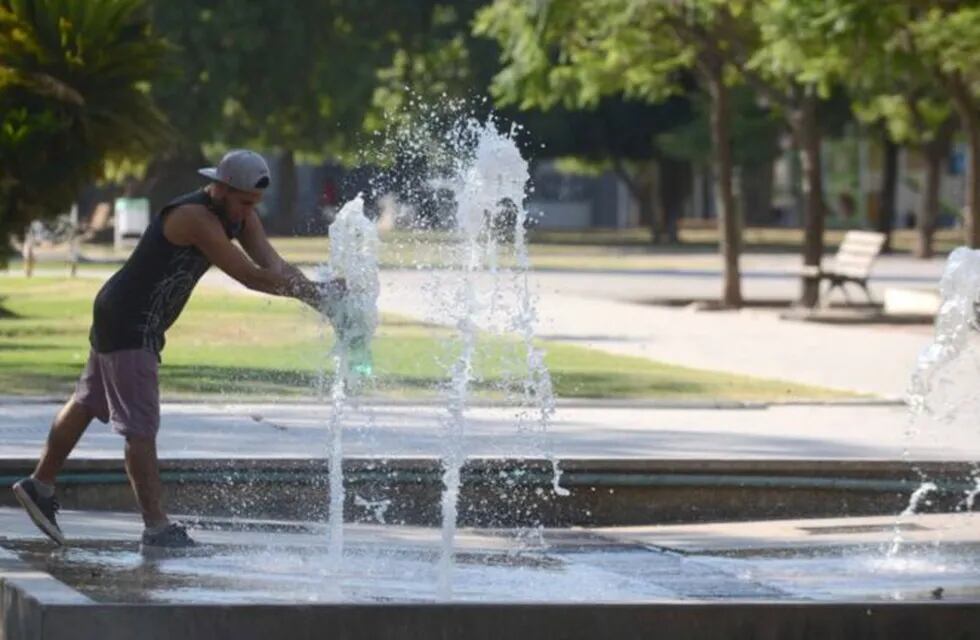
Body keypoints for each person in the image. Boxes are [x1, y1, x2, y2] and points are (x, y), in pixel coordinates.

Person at [12, 149, 345, 550]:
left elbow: (275, 266)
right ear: (221, 188)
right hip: (130, 319)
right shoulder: (194, 218)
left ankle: (39, 485)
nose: (247, 213)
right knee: (140, 428)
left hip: (126, 314)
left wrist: (323, 299)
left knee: (88, 401)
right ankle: (156, 528)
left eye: (253, 205)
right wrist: (316, 296)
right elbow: (250, 277)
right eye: (243, 202)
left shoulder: (239, 214)